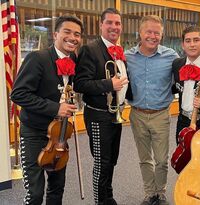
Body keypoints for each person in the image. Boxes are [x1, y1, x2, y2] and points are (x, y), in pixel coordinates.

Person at [10, 15, 83, 205]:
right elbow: (18, 94)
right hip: (34, 133)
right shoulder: (37, 58)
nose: (72, 37)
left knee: (57, 189)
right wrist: (56, 108)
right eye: (67, 32)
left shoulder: (73, 59)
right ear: (55, 34)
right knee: (34, 194)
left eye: (77, 34)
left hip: (59, 136)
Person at [73, 8, 129, 205]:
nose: (114, 27)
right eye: (110, 23)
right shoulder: (90, 49)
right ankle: (99, 201)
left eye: (117, 23)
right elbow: (80, 84)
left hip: (116, 114)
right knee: (101, 162)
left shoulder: (119, 52)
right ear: (101, 25)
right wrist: (109, 84)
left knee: (112, 160)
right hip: (98, 115)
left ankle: (108, 196)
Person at [125, 15, 179, 205]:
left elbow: (192, 66)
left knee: (162, 160)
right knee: (144, 158)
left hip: (161, 115)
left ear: (161, 35)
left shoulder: (171, 56)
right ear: (140, 33)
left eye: (157, 33)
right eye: (148, 31)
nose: (152, 36)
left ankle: (161, 192)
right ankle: (150, 193)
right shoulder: (127, 56)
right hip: (137, 114)